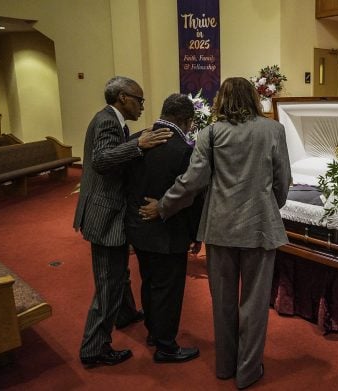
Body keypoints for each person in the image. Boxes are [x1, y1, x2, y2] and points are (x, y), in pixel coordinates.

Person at [140, 77, 291, 389]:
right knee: (255, 303)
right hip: (260, 227)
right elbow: (283, 180)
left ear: (221, 99)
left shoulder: (210, 133)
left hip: (220, 229)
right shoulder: (273, 130)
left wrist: (164, 205)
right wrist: (268, 207)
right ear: (253, 98)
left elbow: (193, 180)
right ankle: (248, 372)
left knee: (222, 302)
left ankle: (224, 366)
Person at [74, 76, 173, 367]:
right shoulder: (107, 120)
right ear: (122, 97)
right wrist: (138, 145)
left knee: (119, 273)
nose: (142, 105)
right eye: (139, 99)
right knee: (108, 281)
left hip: (106, 211)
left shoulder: (113, 120)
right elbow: (102, 160)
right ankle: (94, 348)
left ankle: (126, 313)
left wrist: (135, 138)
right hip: (105, 214)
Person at [124, 93, 204, 363]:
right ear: (186, 120)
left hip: (139, 226)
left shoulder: (138, 140)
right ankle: (166, 346)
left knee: (149, 282)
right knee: (169, 290)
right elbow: (190, 196)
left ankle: (152, 332)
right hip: (169, 231)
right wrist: (196, 234)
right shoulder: (183, 150)